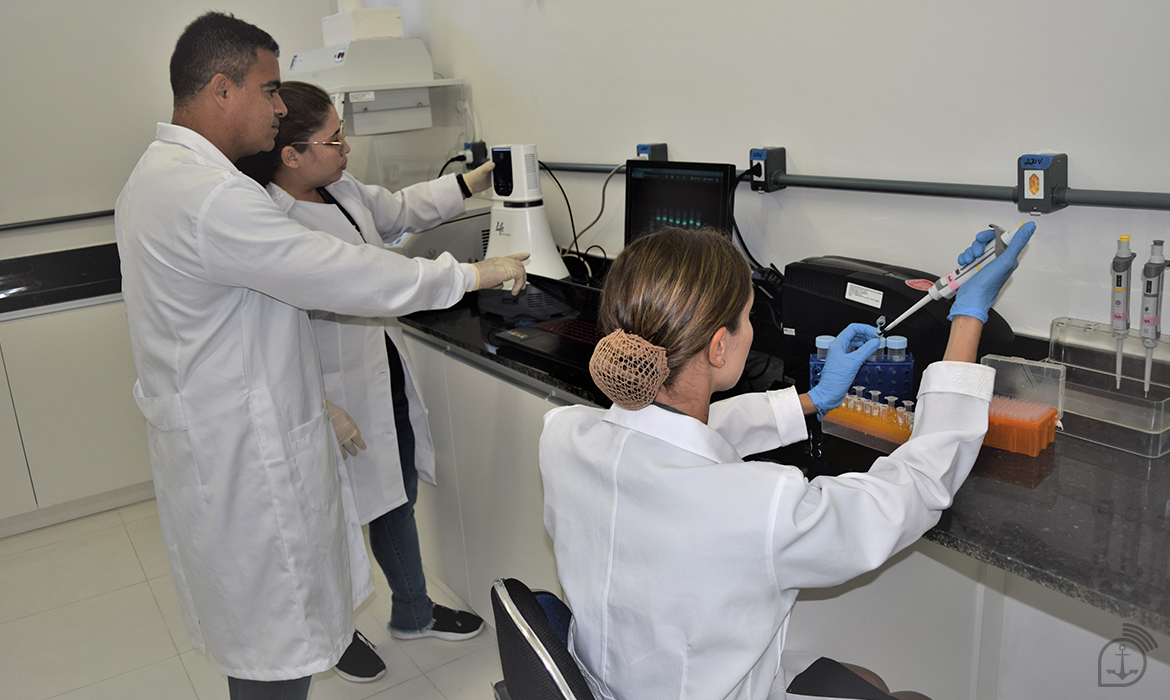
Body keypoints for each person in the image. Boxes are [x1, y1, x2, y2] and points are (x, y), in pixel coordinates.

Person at [115, 13, 526, 700]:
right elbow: (344, 271)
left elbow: (383, 219)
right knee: (277, 647)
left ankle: (403, 611)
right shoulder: (213, 199)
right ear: (221, 89)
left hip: (220, 446)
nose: (279, 107)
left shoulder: (156, 177)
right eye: (269, 89)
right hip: (250, 462)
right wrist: (471, 275)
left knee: (264, 641)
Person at [540, 223, 1035, 700]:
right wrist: (968, 318)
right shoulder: (758, 506)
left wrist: (811, 400)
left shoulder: (564, 435)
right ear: (718, 347)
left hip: (613, 683)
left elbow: (670, 436)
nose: (752, 330)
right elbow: (916, 487)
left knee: (862, 679)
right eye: (749, 317)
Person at [236, 81, 498, 683]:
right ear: (291, 154)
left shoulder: (342, 189)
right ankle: (335, 635)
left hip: (382, 375)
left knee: (395, 495)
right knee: (329, 520)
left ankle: (414, 612)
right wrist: (323, 406)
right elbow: (269, 335)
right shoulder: (272, 224)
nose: (346, 148)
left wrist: (470, 182)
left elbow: (399, 211)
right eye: (334, 140)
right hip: (323, 397)